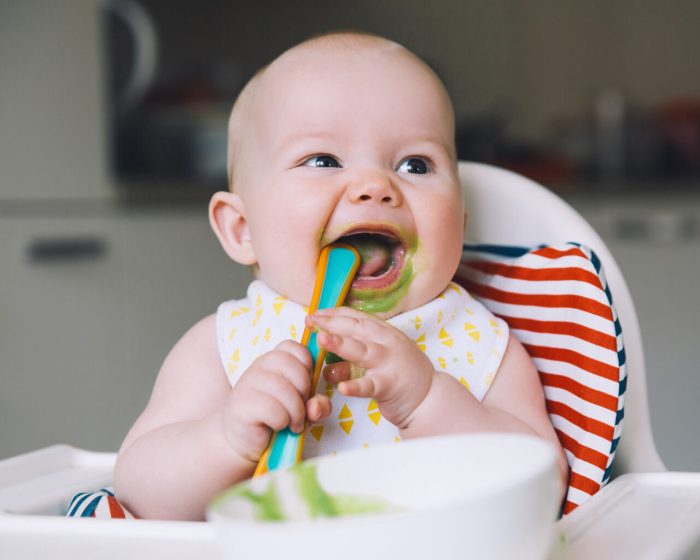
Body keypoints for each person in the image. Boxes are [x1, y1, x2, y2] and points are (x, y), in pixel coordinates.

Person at [113, 31, 568, 521]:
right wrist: (224, 438)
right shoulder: (223, 347)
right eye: (323, 160)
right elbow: (139, 492)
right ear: (242, 229)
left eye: (415, 164)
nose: (376, 185)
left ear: (459, 225)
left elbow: (542, 487)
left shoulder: (480, 344)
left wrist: (429, 399)